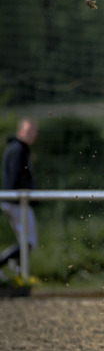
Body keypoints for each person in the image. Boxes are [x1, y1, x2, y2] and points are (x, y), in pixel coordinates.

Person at [1, 118, 38, 276]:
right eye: (28, 131)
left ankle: (18, 273)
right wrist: (29, 193)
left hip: (15, 200)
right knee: (28, 242)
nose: (30, 135)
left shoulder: (17, 148)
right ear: (20, 130)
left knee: (26, 242)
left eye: (33, 132)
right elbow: (17, 178)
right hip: (16, 201)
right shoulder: (17, 149)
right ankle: (12, 269)